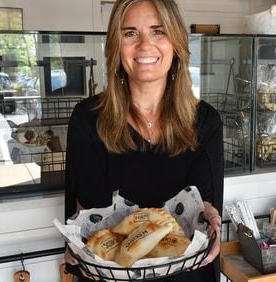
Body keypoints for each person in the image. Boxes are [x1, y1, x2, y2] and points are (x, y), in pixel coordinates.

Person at [64, 0, 224, 281]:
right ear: (116, 46)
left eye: (158, 31)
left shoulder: (205, 121)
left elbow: (203, 208)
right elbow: (88, 220)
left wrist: (211, 216)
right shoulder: (88, 120)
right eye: (130, 33)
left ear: (176, 41)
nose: (145, 45)